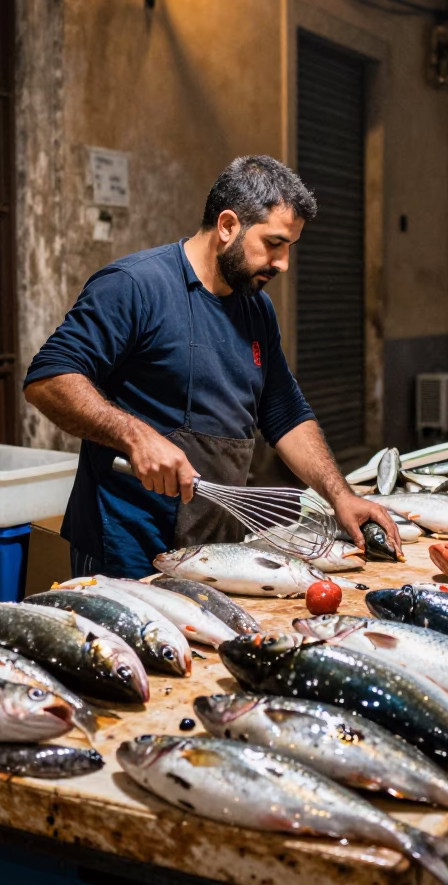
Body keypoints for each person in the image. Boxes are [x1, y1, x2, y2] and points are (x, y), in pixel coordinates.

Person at [24, 155, 401, 576]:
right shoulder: (134, 286)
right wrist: (135, 435)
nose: (283, 264)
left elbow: (284, 412)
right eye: (274, 244)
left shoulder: (256, 307)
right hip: (125, 544)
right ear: (227, 226)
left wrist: (340, 495)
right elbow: (48, 377)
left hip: (213, 543)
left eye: (289, 248)